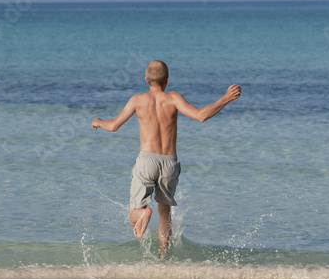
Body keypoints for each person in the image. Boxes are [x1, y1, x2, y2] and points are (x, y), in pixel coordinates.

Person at [92, 60, 241, 256]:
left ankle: (143, 213)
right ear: (167, 80)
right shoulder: (173, 98)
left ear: (146, 79)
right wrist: (226, 98)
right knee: (165, 215)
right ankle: (164, 257)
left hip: (147, 161)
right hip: (169, 162)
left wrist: (99, 121)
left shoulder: (137, 100)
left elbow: (113, 126)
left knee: (134, 214)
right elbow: (200, 116)